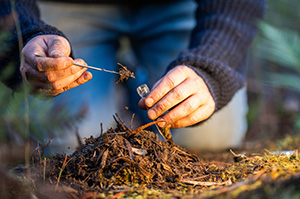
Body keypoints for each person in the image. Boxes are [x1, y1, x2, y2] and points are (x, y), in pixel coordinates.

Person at [0, 0, 265, 153]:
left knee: (208, 137)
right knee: (69, 144)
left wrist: (213, 62)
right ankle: (120, 76)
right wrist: (25, 32)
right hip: (64, 7)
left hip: (179, 5)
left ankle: (136, 81)